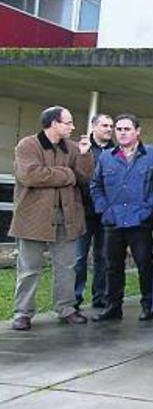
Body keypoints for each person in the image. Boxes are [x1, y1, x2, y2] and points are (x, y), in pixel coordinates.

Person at [9, 106, 93, 330]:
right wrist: (67, 174)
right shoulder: (28, 145)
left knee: (66, 266)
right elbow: (31, 175)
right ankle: (23, 313)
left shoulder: (73, 148)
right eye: (68, 122)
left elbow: (84, 177)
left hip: (67, 216)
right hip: (32, 217)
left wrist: (85, 155)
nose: (72, 127)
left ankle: (66, 308)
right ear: (54, 124)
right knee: (29, 268)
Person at [91, 114, 153, 322]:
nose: (122, 133)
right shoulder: (107, 156)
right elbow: (96, 185)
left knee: (144, 264)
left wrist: (148, 208)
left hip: (140, 221)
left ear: (137, 131)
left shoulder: (152, 155)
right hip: (113, 220)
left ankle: (148, 305)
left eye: (127, 129)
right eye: (119, 129)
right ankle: (113, 306)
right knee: (111, 266)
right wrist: (103, 208)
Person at [73, 113, 114, 310]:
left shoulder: (116, 152)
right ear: (93, 126)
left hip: (105, 213)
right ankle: (74, 299)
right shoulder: (80, 149)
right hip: (83, 211)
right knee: (79, 258)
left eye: (111, 126)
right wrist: (83, 155)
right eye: (104, 125)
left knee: (103, 257)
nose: (109, 129)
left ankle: (100, 297)